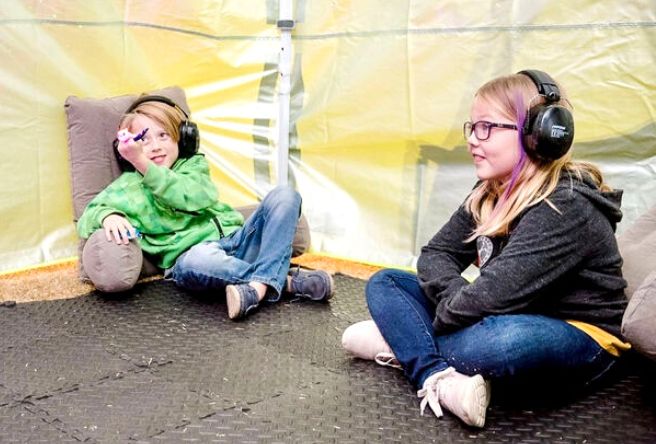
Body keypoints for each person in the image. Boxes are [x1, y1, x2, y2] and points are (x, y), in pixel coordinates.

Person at [341, 70, 630, 428]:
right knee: (386, 283)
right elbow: (436, 255)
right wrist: (457, 298)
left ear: (536, 135)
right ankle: (437, 375)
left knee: (500, 344)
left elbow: (491, 295)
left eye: (487, 128)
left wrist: (443, 312)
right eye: (472, 127)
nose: (473, 140)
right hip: (502, 308)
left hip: (581, 334)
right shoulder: (489, 190)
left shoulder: (566, 204)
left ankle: (403, 344)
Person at [77, 95, 333, 320]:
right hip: (193, 259)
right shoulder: (127, 187)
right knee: (199, 260)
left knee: (285, 195)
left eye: (163, 135)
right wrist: (107, 214)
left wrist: (143, 163)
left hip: (238, 240)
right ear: (127, 152)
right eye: (143, 141)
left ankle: (256, 289)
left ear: (184, 139)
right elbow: (89, 214)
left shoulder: (193, 166)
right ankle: (285, 282)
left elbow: (191, 196)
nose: (154, 146)